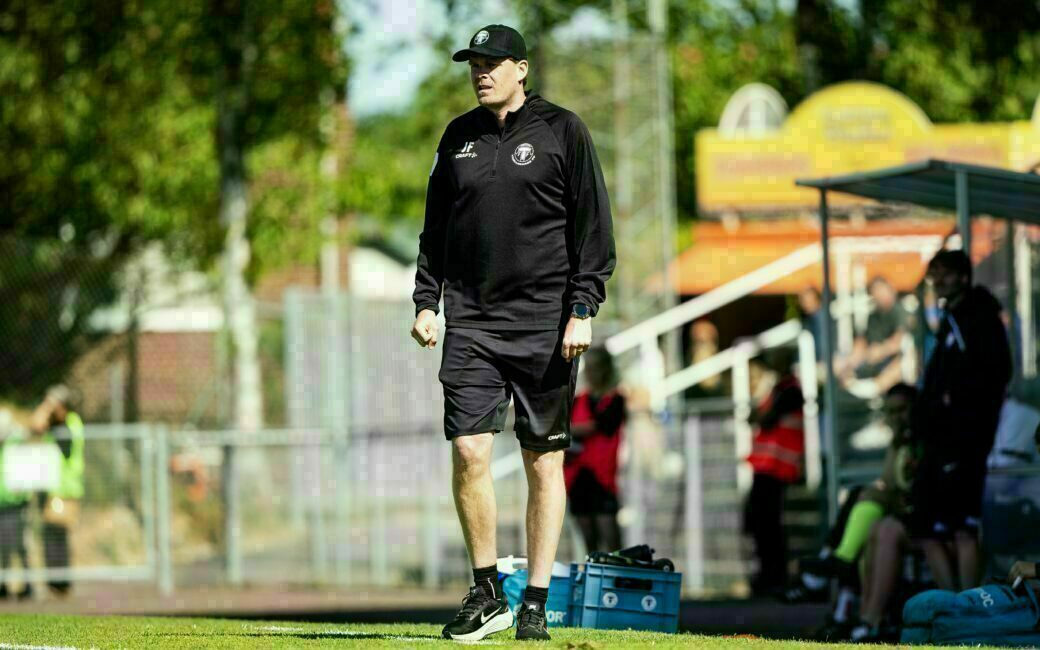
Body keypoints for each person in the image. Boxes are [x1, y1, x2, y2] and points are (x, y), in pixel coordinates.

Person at [410, 24, 616, 642]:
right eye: (474, 64)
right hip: (472, 322)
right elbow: (434, 230)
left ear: (521, 69)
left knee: (542, 461)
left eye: (492, 63)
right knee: (469, 451)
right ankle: (487, 592)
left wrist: (583, 307)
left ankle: (535, 601)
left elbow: (594, 230)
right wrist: (426, 300)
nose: (481, 73)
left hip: (545, 325)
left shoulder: (563, 131)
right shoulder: (457, 137)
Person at [911, 249, 1011, 594]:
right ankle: (952, 605)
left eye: (946, 273)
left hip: (964, 441)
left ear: (964, 277)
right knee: (929, 530)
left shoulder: (979, 318)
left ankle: (967, 607)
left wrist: (956, 399)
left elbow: (997, 372)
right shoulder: (950, 319)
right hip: (939, 441)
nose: (938, 280)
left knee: (963, 529)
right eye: (934, 273)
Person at [743, 347, 804, 597]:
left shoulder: (790, 390)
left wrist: (760, 414)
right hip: (767, 466)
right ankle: (769, 572)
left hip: (776, 467)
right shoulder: (779, 388)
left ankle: (774, 574)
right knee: (762, 521)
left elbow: (765, 418)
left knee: (768, 523)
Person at [565, 347, 625, 554]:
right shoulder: (579, 400)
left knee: (611, 540)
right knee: (589, 542)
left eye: (595, 367)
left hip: (602, 476)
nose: (591, 373)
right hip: (578, 477)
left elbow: (599, 426)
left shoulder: (615, 399)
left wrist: (570, 429)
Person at [31, 385, 85, 597]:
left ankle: (59, 584)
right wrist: (46, 407)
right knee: (52, 537)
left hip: (63, 490)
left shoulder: (68, 423)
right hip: (54, 489)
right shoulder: (59, 423)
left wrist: (49, 406)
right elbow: (36, 425)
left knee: (56, 537)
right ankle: (56, 583)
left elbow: (41, 425)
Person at [841, 277, 908, 397]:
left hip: (894, 360)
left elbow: (900, 340)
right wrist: (850, 361)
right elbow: (863, 342)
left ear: (890, 290)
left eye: (881, 290)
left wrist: (881, 350)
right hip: (872, 360)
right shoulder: (873, 316)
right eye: (875, 292)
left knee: (900, 364)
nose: (879, 295)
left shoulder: (899, 310)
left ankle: (874, 390)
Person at [0, 429, 31, 600]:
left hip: (15, 505)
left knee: (20, 546)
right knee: (3, 548)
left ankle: (28, 584)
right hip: (2, 505)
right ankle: (4, 585)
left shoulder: (15, 447)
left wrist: (23, 496)